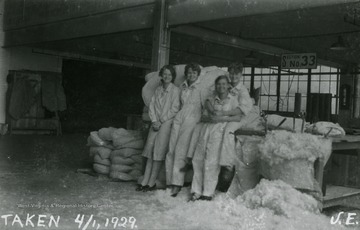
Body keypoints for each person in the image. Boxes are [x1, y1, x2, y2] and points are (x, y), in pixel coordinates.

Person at [190, 75, 243, 201]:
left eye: (224, 84)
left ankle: (207, 192)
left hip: (219, 132)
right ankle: (196, 190)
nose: (221, 86)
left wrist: (221, 118)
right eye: (219, 84)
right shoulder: (211, 99)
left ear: (228, 86)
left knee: (211, 162)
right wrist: (210, 118)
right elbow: (202, 117)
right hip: (206, 129)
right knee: (197, 160)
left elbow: (238, 117)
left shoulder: (233, 100)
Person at [137, 65, 181, 192]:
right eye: (165, 74)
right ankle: (145, 181)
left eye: (170, 75)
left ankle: (151, 183)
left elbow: (175, 109)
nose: (167, 77)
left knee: (158, 153)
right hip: (155, 123)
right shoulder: (158, 90)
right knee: (150, 151)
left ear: (173, 77)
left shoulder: (175, 91)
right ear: (161, 75)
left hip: (166, 124)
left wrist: (161, 121)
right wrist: (154, 120)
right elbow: (152, 106)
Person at [165, 63, 203, 197]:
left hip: (192, 119)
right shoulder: (182, 87)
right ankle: (169, 181)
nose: (191, 75)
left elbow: (204, 107)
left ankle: (177, 184)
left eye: (194, 73)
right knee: (171, 149)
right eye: (189, 72)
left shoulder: (200, 88)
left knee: (181, 151)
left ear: (198, 75)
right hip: (180, 116)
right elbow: (179, 104)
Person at [218, 63, 253, 175]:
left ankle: (227, 163)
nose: (233, 76)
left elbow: (242, 109)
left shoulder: (242, 90)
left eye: (236, 74)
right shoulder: (227, 86)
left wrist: (225, 113)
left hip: (239, 117)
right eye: (231, 73)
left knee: (228, 131)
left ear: (241, 75)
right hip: (226, 115)